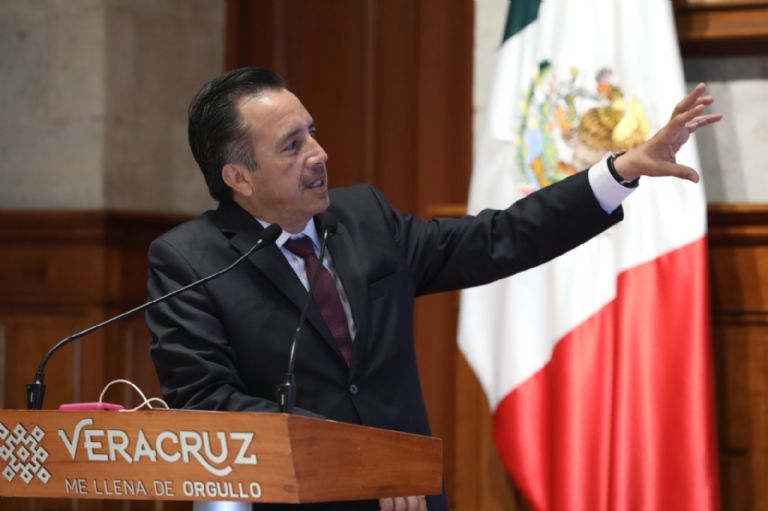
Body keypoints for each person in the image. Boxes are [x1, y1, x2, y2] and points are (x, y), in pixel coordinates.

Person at [146, 67, 720, 511]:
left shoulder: (364, 218)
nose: (319, 155)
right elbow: (210, 405)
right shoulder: (190, 261)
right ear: (239, 177)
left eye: (312, 133)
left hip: (410, 502)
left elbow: (497, 238)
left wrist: (620, 172)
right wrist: (368, 464)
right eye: (291, 146)